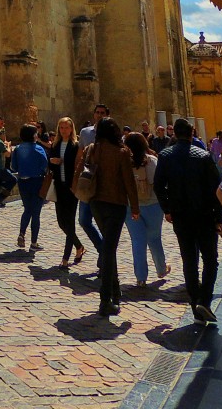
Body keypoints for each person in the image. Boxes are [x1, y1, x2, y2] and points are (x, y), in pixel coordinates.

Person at [153, 117, 222, 323]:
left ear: (174, 134)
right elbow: (216, 189)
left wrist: (167, 209)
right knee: (210, 259)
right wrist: (219, 217)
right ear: (192, 133)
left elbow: (158, 186)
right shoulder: (203, 156)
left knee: (189, 260)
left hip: (180, 216)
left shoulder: (165, 156)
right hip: (204, 215)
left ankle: (196, 306)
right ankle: (204, 300)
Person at [73, 116, 139, 317]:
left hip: (96, 203)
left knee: (109, 248)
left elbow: (79, 172)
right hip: (116, 204)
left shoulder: (92, 149)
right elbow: (129, 181)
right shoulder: (121, 152)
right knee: (110, 249)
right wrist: (135, 207)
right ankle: (105, 300)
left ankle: (115, 292)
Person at [123, 132, 169, 287]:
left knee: (137, 240)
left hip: (131, 206)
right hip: (153, 205)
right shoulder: (153, 161)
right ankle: (161, 269)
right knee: (155, 238)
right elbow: (161, 184)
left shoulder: (124, 163)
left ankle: (141, 277)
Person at [48, 117, 85, 268]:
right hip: (59, 186)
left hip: (71, 187)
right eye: (61, 127)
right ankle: (79, 246)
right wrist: (52, 161)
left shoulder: (75, 145)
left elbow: (78, 165)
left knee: (70, 222)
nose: (64, 130)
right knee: (61, 222)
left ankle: (65, 257)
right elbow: (49, 163)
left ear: (71, 129)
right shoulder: (55, 145)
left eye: (66, 127)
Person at [76, 103, 108, 262]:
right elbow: (80, 155)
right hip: (88, 182)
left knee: (103, 223)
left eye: (102, 113)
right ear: (94, 114)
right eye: (97, 112)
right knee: (83, 221)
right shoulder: (85, 132)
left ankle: (106, 258)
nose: (99, 115)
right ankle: (103, 250)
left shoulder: (112, 132)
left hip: (104, 184)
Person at [10, 124, 48, 252]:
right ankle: (34, 242)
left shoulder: (18, 149)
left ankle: (22, 233)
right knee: (36, 212)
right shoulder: (39, 148)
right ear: (33, 135)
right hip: (37, 181)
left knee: (27, 209)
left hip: (23, 182)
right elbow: (45, 165)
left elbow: (13, 167)